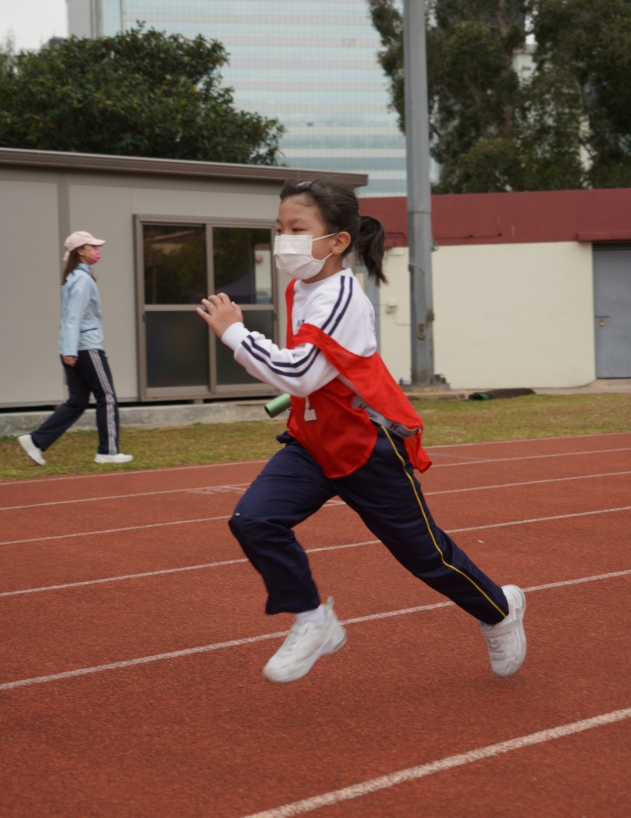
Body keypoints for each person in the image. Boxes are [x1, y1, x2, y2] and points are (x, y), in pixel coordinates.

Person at [197, 178, 526, 684]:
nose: (283, 239)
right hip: (313, 442)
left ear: (338, 241)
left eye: (297, 229)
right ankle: (314, 621)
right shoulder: (300, 287)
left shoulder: (343, 297)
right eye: (279, 227)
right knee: (254, 519)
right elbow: (316, 372)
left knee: (427, 558)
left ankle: (499, 610)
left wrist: (235, 332)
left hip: (366, 446)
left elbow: (301, 373)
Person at [18, 231, 133, 468]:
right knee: (107, 397)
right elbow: (73, 316)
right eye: (92, 246)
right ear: (80, 250)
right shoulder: (82, 280)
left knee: (77, 401)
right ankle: (108, 452)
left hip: (74, 347)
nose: (96, 251)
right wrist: (70, 350)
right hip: (86, 347)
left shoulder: (75, 277)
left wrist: (68, 350)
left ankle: (36, 441)